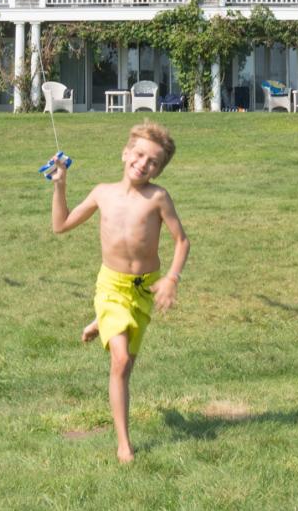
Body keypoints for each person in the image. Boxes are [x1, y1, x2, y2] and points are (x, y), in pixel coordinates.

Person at [48, 120, 190, 463]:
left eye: (152, 162)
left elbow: (181, 241)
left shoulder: (158, 198)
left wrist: (171, 278)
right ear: (125, 153)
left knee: (127, 355)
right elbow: (61, 225)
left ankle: (103, 322)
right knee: (121, 361)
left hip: (142, 289)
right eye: (139, 155)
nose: (143, 164)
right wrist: (60, 185)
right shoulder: (102, 193)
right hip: (111, 285)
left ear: (159, 170)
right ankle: (124, 444)